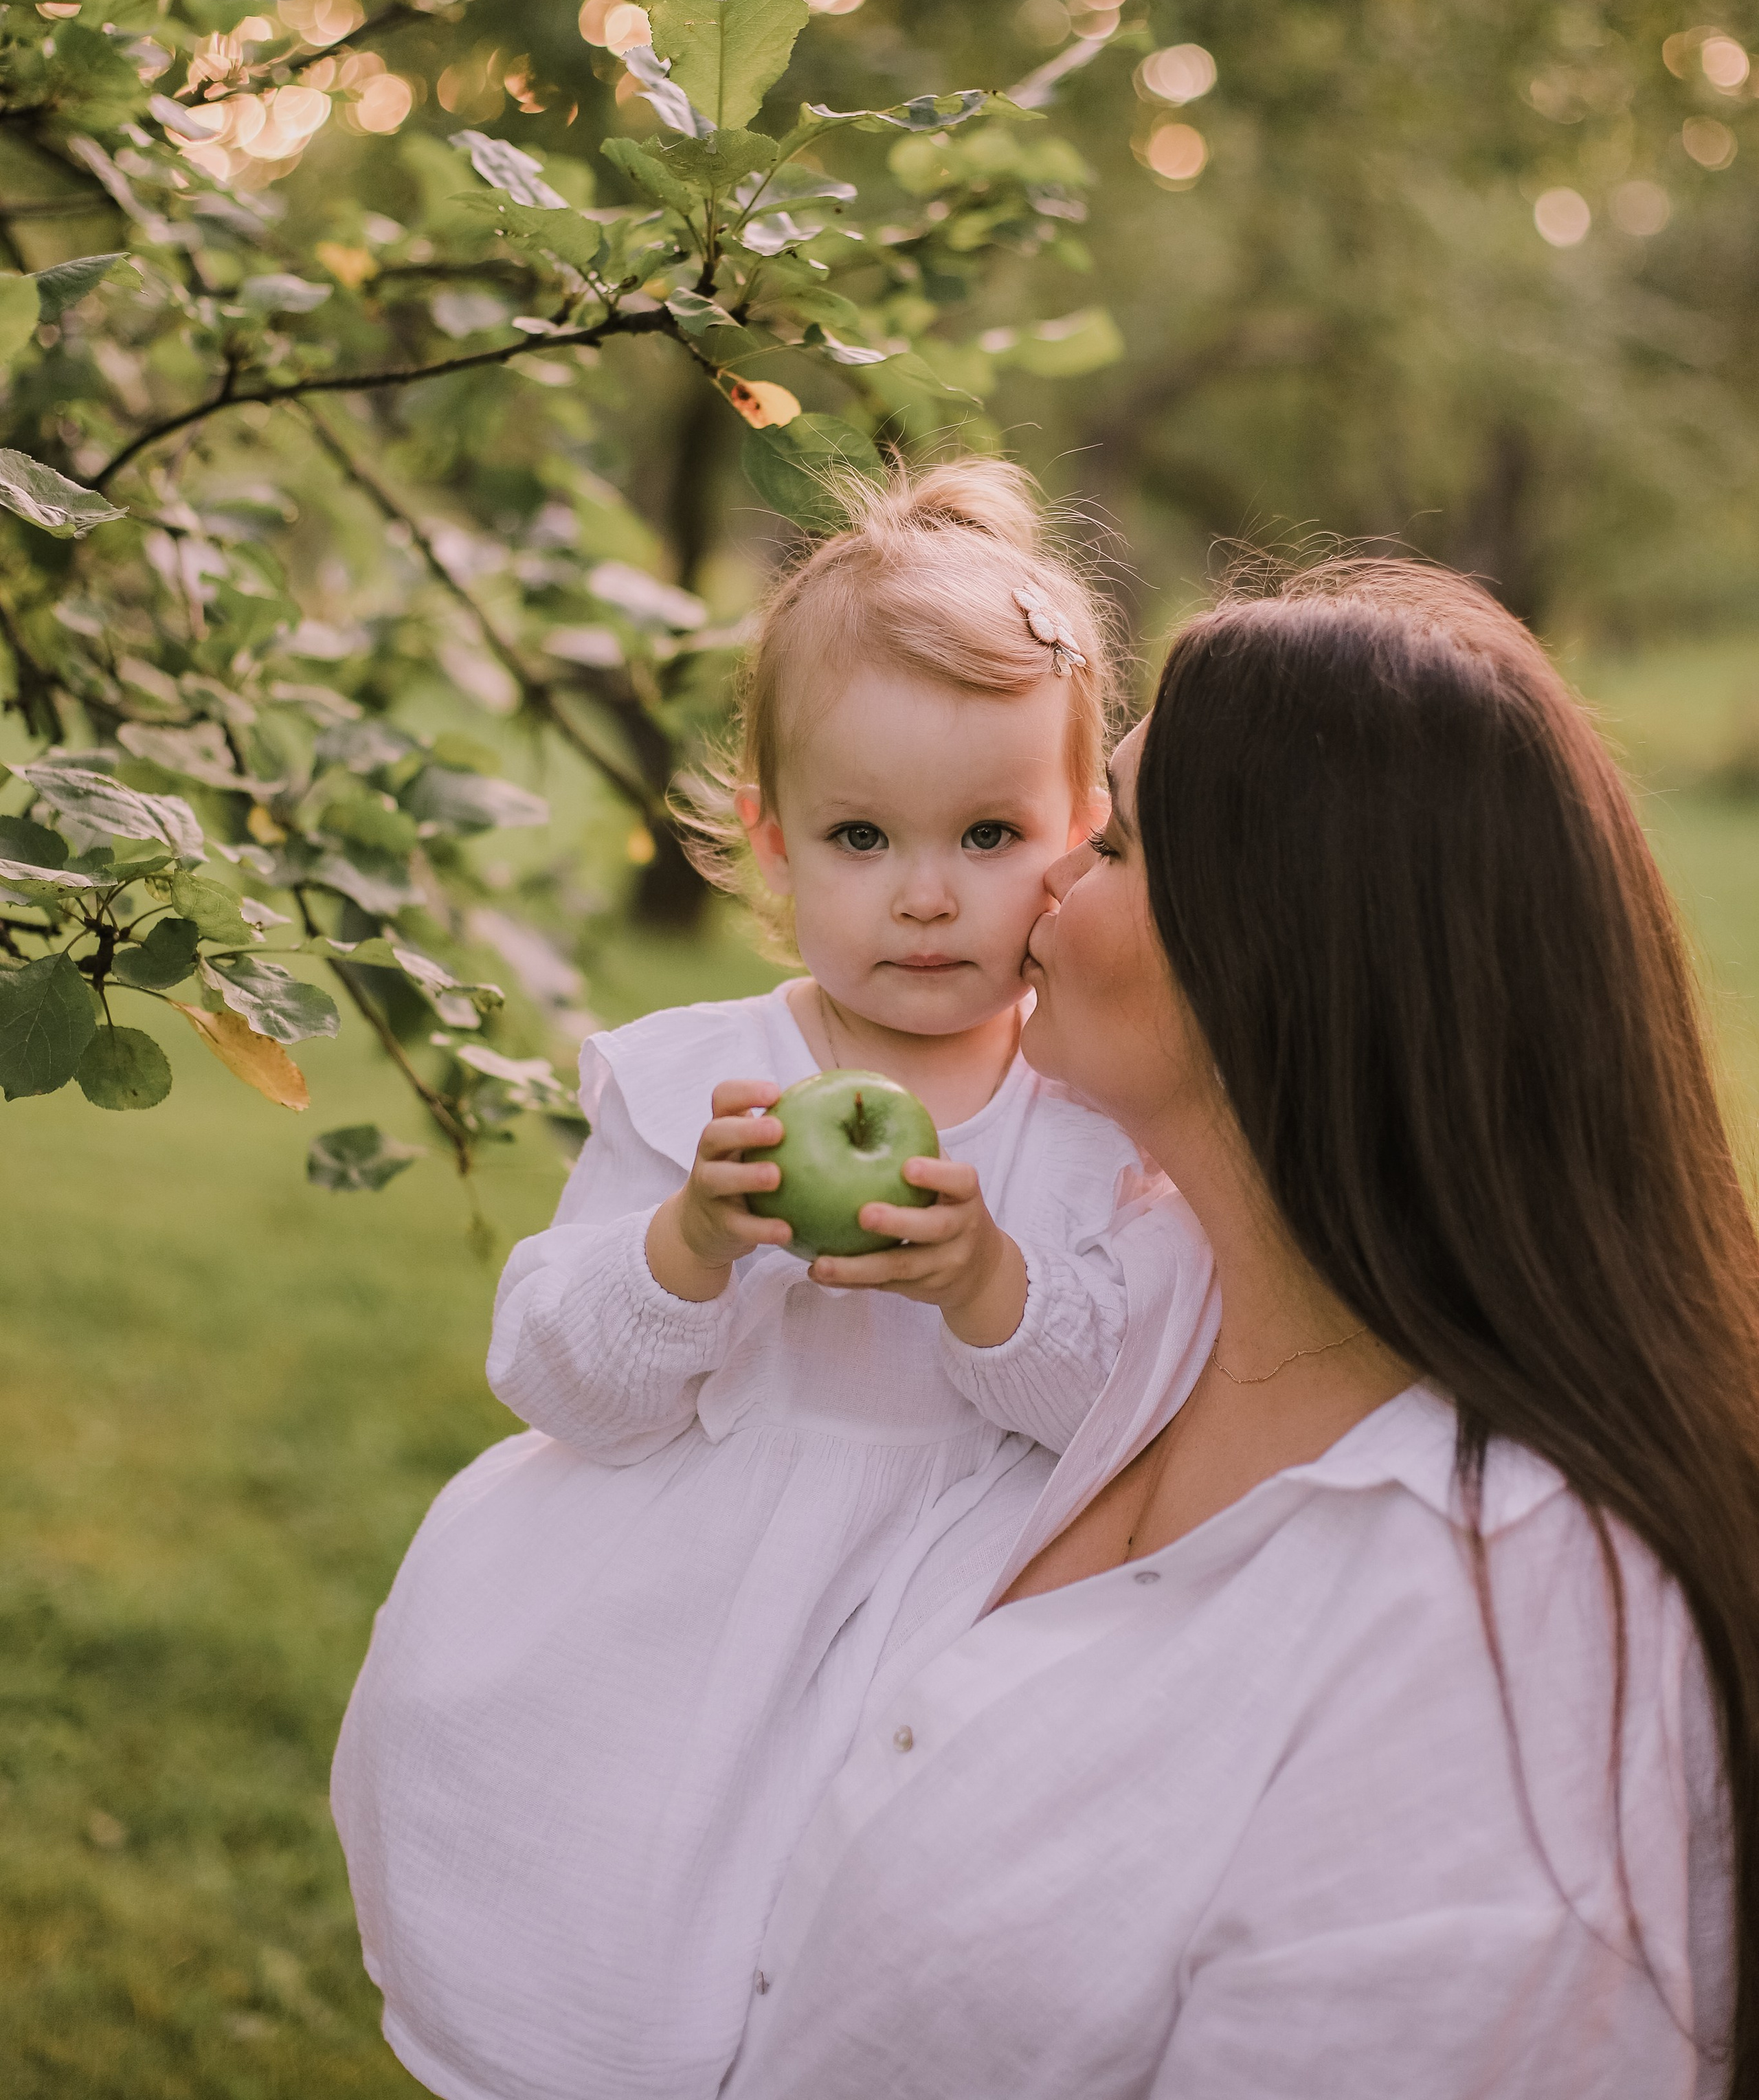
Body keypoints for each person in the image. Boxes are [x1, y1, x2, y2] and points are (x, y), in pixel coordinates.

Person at [725, 557, 1755, 2100]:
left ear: (1281, 952)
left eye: (1112, 840)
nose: (1041, 884)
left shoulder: (1504, 1642)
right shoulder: (1124, 1299)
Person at [329, 460, 1213, 2100]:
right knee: (619, 1937)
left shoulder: (1087, 1119)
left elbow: (1116, 1400)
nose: (927, 891)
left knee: (837, 1967)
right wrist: (685, 1248)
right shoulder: (700, 1087)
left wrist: (983, 1283)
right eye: (862, 836)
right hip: (670, 1607)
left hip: (920, 1629)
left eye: (990, 833)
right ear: (767, 835)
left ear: (1079, 835)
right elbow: (556, 1377)